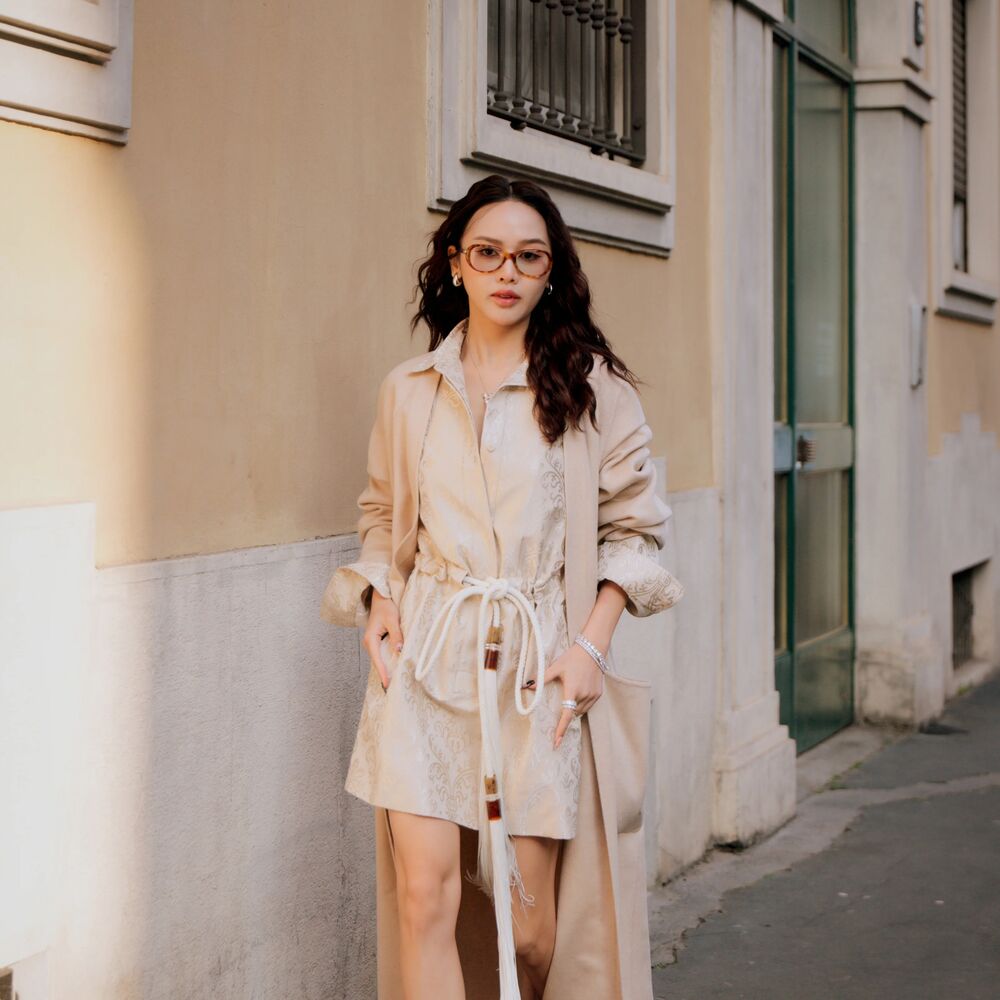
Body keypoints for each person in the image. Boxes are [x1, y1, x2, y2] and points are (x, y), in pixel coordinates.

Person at [321, 174, 684, 1000]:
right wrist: (381, 598)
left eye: (528, 256)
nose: (506, 272)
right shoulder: (409, 391)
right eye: (487, 253)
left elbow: (635, 529)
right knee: (425, 900)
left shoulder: (592, 389)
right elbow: (381, 513)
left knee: (528, 933)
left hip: (539, 673)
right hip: (424, 659)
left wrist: (590, 646)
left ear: (551, 271)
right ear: (456, 264)